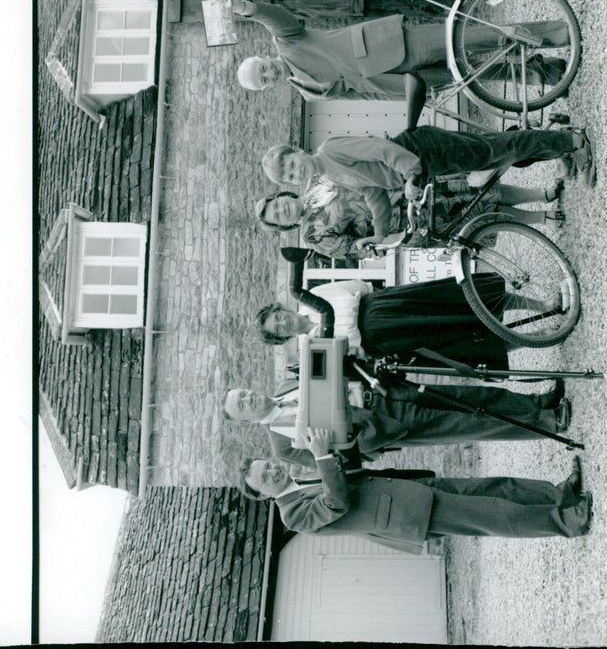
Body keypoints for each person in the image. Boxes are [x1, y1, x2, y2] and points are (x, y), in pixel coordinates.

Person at [238, 428, 592, 550]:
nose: (272, 470)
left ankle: (560, 495)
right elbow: (336, 503)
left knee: (493, 488)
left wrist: (337, 444)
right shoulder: (292, 515)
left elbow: (352, 473)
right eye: (265, 477)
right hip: (410, 514)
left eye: (267, 465)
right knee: (492, 515)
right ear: (264, 495)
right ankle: (567, 522)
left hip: (409, 490)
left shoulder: (301, 479)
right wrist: (322, 458)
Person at [212, 0, 569, 101]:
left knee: (469, 38)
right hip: (400, 82)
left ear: (263, 56)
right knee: (472, 75)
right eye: (264, 80)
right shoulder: (307, 92)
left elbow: (275, 17)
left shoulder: (286, 42)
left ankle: (554, 34)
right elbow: (359, 94)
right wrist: (403, 97)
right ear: (267, 88)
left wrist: (243, 8)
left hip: (390, 46)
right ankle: (546, 73)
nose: (270, 74)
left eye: (263, 69)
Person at [261, 124, 595, 240]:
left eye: (291, 164)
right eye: (289, 176)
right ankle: (558, 144)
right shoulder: (329, 175)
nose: (295, 172)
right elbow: (373, 193)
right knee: (494, 155)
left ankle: (573, 140)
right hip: (424, 167)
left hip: (422, 151)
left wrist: (409, 174)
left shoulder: (329, 150)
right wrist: (380, 234)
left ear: (297, 151)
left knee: (496, 150)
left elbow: (380, 149)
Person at [223, 377, 572, 466]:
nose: (249, 397)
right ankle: (548, 423)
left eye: (245, 392)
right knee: (467, 424)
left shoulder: (286, 385)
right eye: (243, 404)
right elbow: (336, 460)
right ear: (246, 420)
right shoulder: (282, 445)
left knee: (466, 397)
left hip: (383, 392)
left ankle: (536, 402)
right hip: (381, 424)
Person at [256, 274, 569, 367]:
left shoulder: (313, 296)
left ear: (283, 309)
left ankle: (545, 305)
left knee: (460, 301)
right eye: (279, 329)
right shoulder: (310, 349)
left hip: (386, 305)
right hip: (389, 339)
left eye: (279, 317)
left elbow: (357, 287)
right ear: (283, 338)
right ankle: (540, 334)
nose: (284, 323)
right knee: (458, 344)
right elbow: (350, 356)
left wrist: (384, 299)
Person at [255, 178, 566, 259]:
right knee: (478, 217)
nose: (284, 210)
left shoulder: (317, 181)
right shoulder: (313, 236)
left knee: (478, 192)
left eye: (279, 205)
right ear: (285, 225)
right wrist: (375, 242)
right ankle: (542, 217)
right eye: (279, 217)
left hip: (404, 189)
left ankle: (542, 193)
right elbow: (354, 249)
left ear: (284, 196)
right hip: (406, 223)